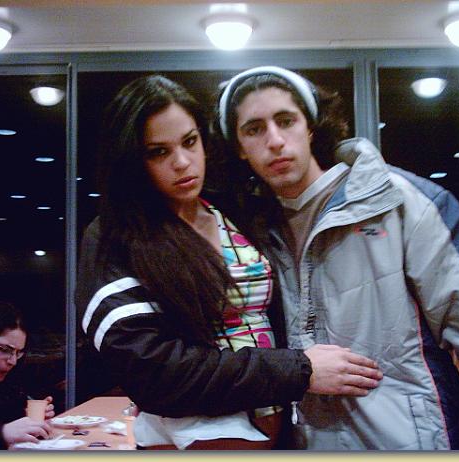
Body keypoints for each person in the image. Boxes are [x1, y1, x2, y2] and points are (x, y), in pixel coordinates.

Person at [212, 65, 459, 450]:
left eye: (285, 120)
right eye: (254, 129)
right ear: (239, 147)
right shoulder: (252, 235)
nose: (275, 140)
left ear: (310, 126)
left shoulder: (401, 202)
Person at [74, 75, 382, 450]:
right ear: (132, 160)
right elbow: (151, 370)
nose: (182, 162)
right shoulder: (117, 235)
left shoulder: (235, 210)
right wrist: (299, 370)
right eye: (158, 152)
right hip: (193, 436)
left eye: (190, 141)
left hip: (282, 426)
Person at [0, 301, 55, 449]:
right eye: (4, 349)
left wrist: (28, 420)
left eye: (18, 353)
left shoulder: (9, 381)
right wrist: (2, 433)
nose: (12, 361)